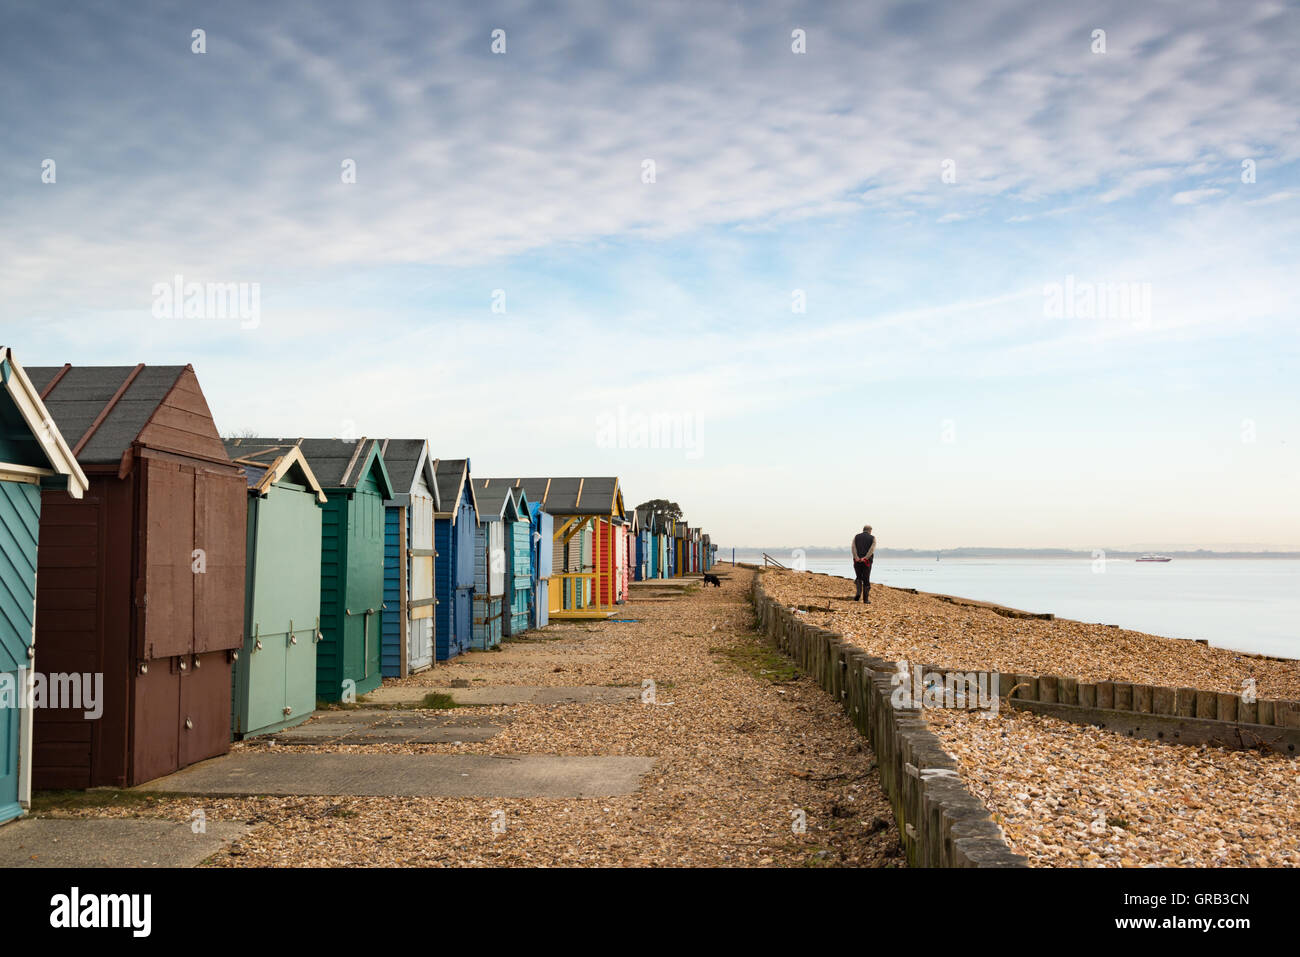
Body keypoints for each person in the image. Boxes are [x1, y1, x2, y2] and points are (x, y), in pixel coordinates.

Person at [850, 524, 875, 603]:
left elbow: (853, 547)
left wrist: (856, 557)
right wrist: (866, 558)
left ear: (863, 529)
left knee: (858, 577)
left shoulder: (856, 536)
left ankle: (858, 594)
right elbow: (872, 549)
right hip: (866, 562)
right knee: (866, 579)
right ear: (870, 530)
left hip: (857, 561)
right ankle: (865, 599)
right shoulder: (872, 538)